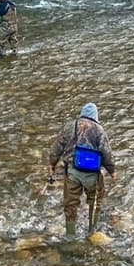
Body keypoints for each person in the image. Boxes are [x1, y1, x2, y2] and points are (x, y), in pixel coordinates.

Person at [48, 102, 118, 238]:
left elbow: (57, 148)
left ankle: (70, 235)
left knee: (70, 203)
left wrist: (52, 165)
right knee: (95, 201)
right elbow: (106, 153)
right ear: (95, 116)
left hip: (72, 173)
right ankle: (91, 232)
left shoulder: (70, 126)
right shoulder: (99, 130)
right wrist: (112, 171)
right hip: (92, 175)